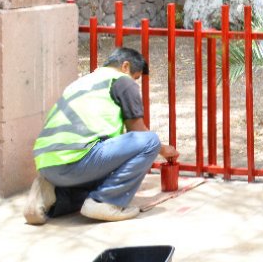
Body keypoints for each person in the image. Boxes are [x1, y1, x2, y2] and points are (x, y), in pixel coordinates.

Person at [23, 47, 178, 224]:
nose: (134, 82)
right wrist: (164, 149)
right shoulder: (122, 80)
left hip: (46, 165)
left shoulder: (83, 82)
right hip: (78, 160)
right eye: (136, 77)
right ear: (125, 66)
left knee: (106, 178)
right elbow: (138, 133)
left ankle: (50, 196)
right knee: (151, 141)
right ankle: (104, 201)